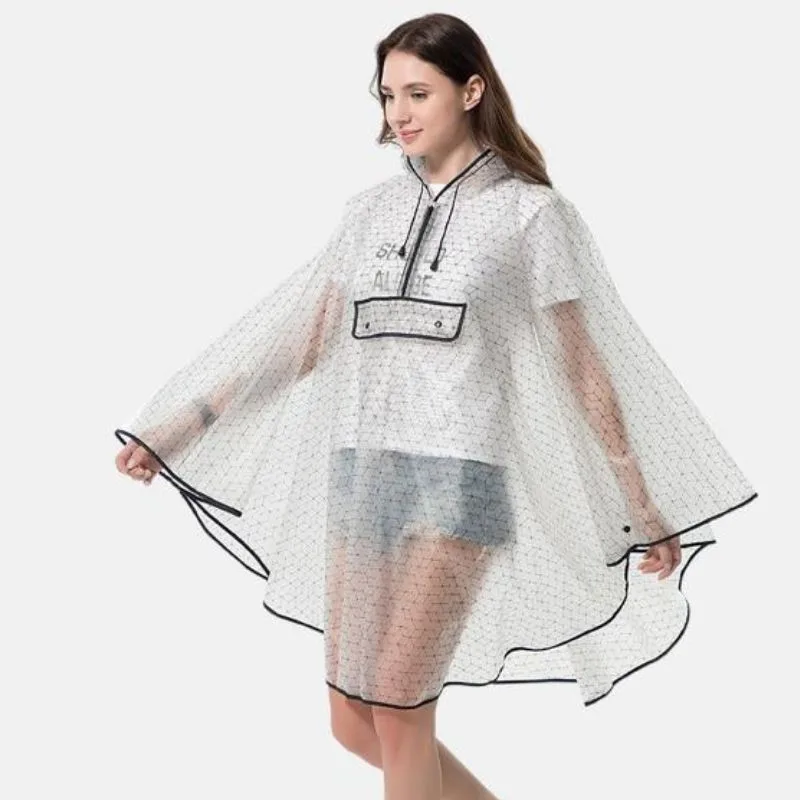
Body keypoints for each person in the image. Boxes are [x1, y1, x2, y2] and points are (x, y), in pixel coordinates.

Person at [114, 12, 758, 800]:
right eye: (388, 95)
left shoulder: (532, 215)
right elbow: (303, 341)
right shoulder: (369, 212)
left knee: (399, 711)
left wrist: (641, 501)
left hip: (458, 481)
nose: (400, 112)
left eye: (418, 92)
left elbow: (584, 367)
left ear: (471, 90)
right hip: (361, 473)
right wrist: (181, 426)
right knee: (353, 722)